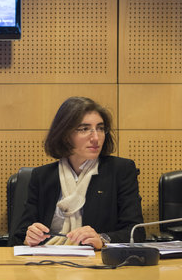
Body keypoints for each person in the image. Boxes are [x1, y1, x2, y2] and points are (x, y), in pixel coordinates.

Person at [13, 96, 144, 248]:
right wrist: (30, 236)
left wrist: (102, 239)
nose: (96, 137)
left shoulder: (120, 171)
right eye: (84, 129)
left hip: (99, 264)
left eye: (100, 128)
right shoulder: (42, 176)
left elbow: (136, 232)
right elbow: (19, 235)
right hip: (49, 263)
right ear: (64, 135)